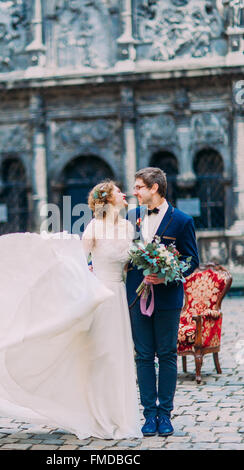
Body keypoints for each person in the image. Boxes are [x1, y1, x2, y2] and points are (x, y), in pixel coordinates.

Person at [0, 180, 142, 440]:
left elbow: (128, 263)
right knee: (101, 355)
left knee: (119, 355)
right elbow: (77, 264)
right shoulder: (94, 227)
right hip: (100, 297)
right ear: (107, 200)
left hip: (119, 295)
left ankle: (120, 416)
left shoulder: (129, 227)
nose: (124, 192)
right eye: (118, 191)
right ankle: (100, 416)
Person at [126, 167, 199, 437]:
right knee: (143, 357)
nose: (135, 192)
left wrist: (168, 273)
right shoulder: (130, 217)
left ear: (154, 188)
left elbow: (192, 260)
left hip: (167, 298)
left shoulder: (182, 220)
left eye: (139, 187)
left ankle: (165, 414)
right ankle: (149, 414)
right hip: (136, 297)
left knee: (167, 355)